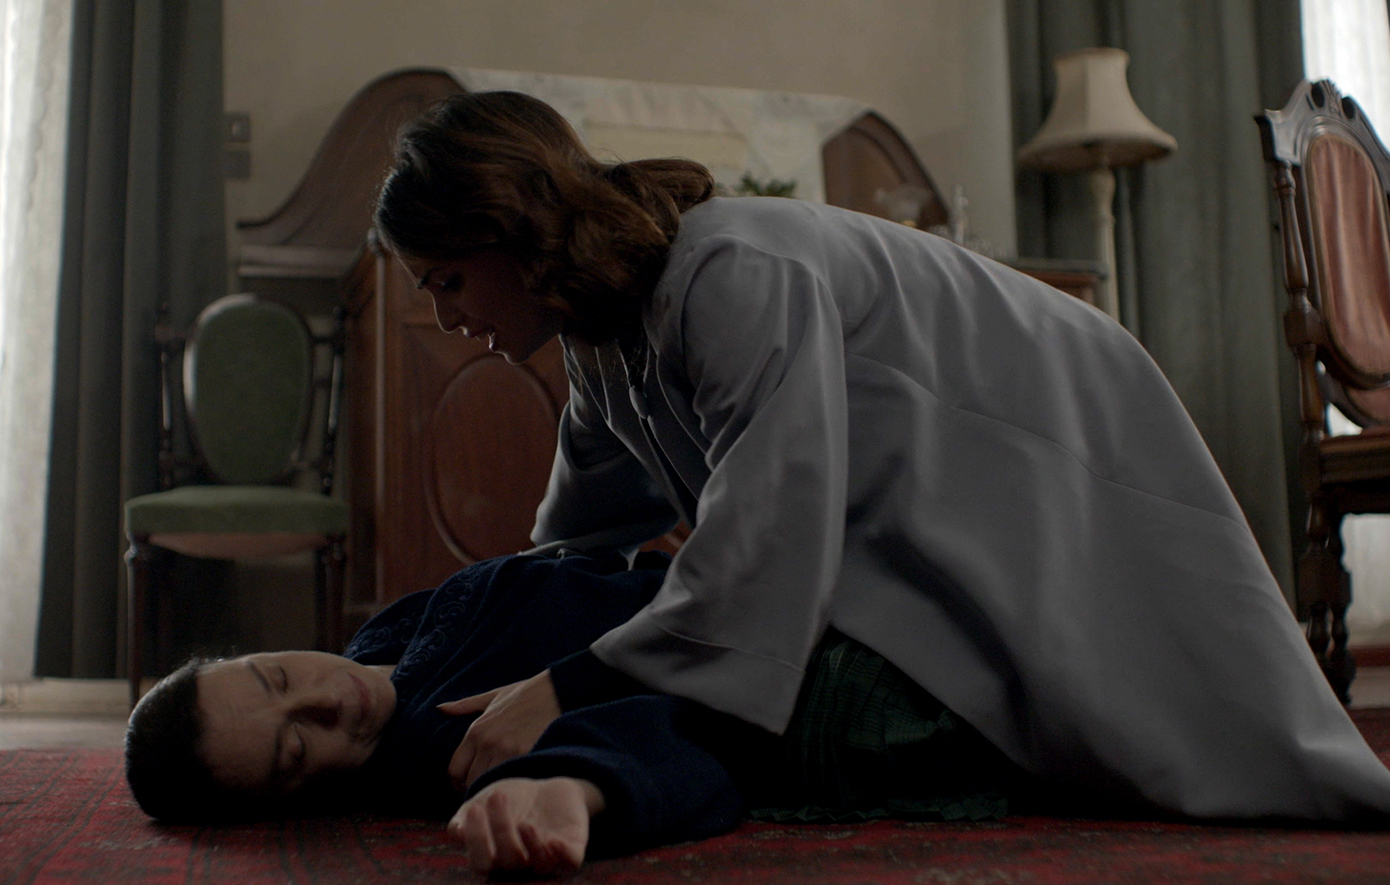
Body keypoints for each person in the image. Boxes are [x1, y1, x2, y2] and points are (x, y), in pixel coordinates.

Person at [371, 87, 1390, 830]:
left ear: (510, 232)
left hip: (1040, 424)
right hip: (934, 478)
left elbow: (762, 546)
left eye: (448, 280)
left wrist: (560, 688)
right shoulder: (600, 346)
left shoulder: (728, 270)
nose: (445, 317)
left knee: (1162, 730)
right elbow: (570, 553)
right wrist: (430, 661)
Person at [128, 551, 1007, 875]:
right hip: (826, 688)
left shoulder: (384, 638)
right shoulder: (439, 745)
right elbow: (675, 738)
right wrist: (571, 787)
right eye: (296, 746)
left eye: (278, 675)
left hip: (778, 593)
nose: (327, 699)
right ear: (300, 800)